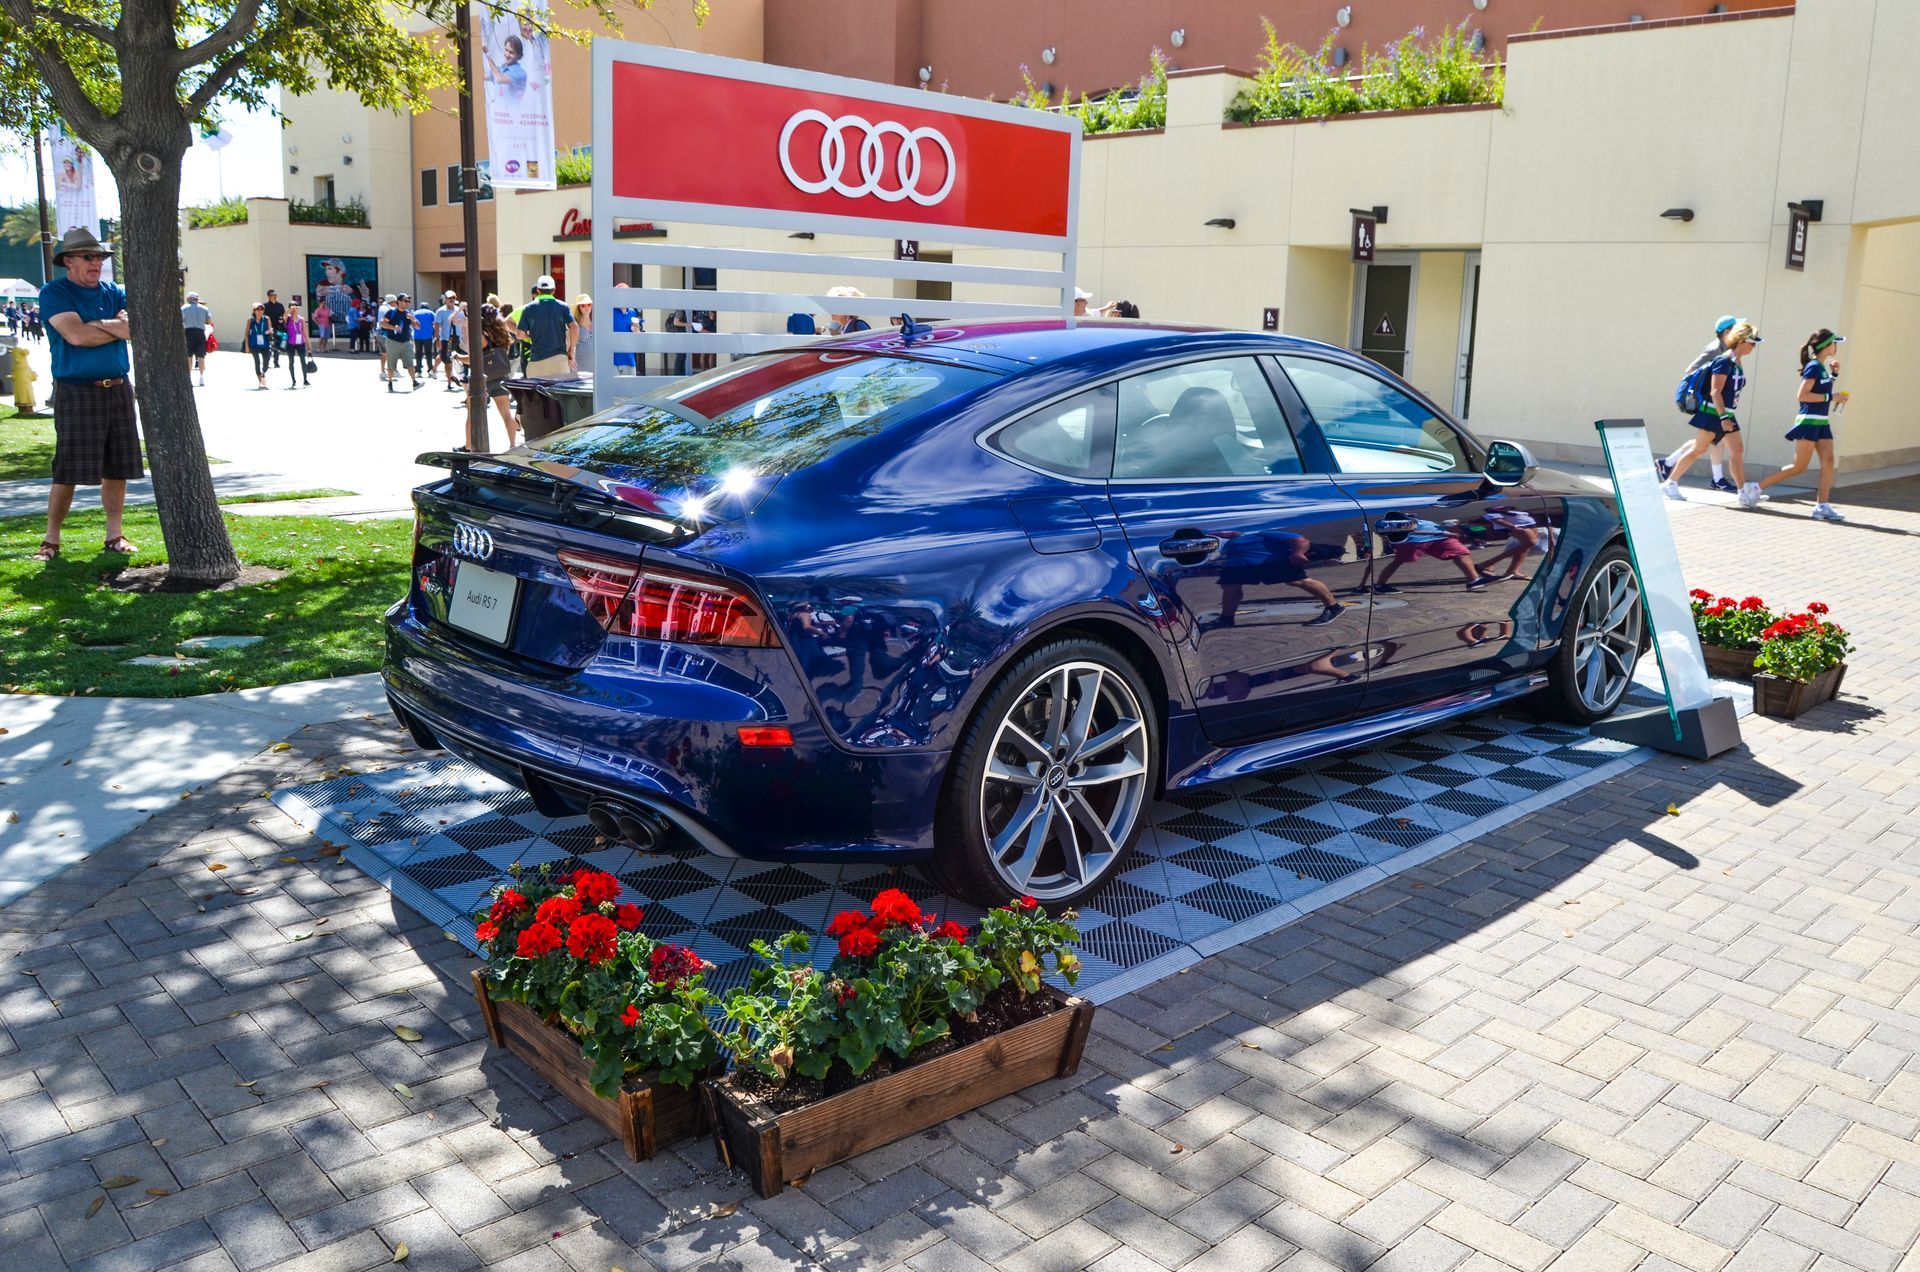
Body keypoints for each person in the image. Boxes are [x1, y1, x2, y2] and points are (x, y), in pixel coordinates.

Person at [31, 228, 142, 563]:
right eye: (88, 257)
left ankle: (114, 535)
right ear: (69, 261)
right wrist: (112, 327)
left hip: (118, 388)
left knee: (118, 467)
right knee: (68, 469)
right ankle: (51, 540)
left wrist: (96, 324)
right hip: (76, 391)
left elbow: (133, 329)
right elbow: (76, 336)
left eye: (100, 257)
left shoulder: (115, 292)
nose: (96, 263)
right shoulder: (55, 292)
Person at [1755, 329, 1849, 521]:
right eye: (1834, 343)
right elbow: (1803, 396)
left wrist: (1834, 376)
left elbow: (1820, 389)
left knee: (1828, 461)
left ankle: (1822, 506)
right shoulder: (1813, 367)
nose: (1836, 346)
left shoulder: (1820, 367)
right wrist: (1832, 397)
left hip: (1822, 422)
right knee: (1799, 467)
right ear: (1826, 345)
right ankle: (1754, 489)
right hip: (1808, 421)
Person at [1666, 321, 1761, 503]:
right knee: (1698, 449)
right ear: (1741, 341)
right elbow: (1715, 392)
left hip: (1726, 413)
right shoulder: (1724, 361)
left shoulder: (1736, 361)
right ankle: (1670, 483)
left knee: (1737, 450)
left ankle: (1743, 493)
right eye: (1752, 342)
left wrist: (1726, 416)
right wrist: (1723, 417)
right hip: (1713, 413)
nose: (1754, 347)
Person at [1658, 315, 1739, 493]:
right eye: (1736, 328)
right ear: (1726, 331)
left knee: (1709, 441)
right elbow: (1691, 370)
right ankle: (1715, 479)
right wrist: (1710, 388)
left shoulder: (1726, 348)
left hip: (1716, 402)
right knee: (1710, 441)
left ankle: (1668, 463)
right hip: (1708, 402)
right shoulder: (1715, 349)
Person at [469, 303, 526, 447]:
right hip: (500, 376)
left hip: (483, 378)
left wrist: (457, 357)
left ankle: (470, 445)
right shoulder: (503, 334)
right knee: (506, 414)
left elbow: (473, 358)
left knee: (472, 414)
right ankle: (512, 444)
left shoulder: (481, 336)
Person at [519, 275, 575, 377]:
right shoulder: (563, 307)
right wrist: (571, 349)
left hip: (536, 360)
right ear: (554, 290)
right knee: (559, 387)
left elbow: (520, 334)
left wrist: (529, 337)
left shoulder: (528, 308)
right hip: (559, 360)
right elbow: (575, 327)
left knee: (536, 388)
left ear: (538, 290)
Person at [381, 292, 419, 390]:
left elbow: (418, 327)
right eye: (406, 301)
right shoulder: (391, 312)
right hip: (393, 341)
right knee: (391, 364)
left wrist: (414, 320)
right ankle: (390, 382)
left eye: (409, 301)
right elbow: (382, 323)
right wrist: (393, 327)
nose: (408, 303)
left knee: (410, 363)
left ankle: (414, 382)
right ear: (399, 302)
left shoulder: (409, 314)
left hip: (406, 342)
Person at [181, 290, 210, 387]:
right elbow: (209, 321)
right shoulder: (204, 308)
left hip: (189, 332)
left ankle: (189, 377)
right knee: (201, 357)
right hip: (200, 333)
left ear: (189, 299)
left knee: (189, 356)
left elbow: (181, 320)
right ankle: (201, 378)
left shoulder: (184, 308)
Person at [611, 282, 640, 375]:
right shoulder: (609, 311)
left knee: (631, 385)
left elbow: (637, 334)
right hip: (612, 361)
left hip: (629, 359)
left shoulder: (632, 312)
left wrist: (637, 330)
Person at [245, 302, 273, 388]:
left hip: (265, 344)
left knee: (266, 361)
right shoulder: (251, 320)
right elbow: (246, 334)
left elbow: (271, 329)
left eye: (262, 309)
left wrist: (270, 331)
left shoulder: (266, 319)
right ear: (254, 311)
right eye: (258, 309)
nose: (260, 311)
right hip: (254, 344)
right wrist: (247, 346)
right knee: (257, 362)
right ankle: (260, 381)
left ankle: (263, 373)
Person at [284, 303, 310, 387]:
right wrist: (290, 309)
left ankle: (305, 379)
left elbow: (305, 332)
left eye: (296, 307)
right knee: (291, 361)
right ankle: (293, 380)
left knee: (303, 360)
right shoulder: (288, 318)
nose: (295, 309)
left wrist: (308, 344)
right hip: (290, 343)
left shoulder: (301, 319)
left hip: (300, 343)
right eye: (293, 308)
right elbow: (284, 316)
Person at [412, 297, 437, 379]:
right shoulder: (430, 313)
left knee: (418, 353)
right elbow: (435, 323)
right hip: (428, 336)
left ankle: (419, 371)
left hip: (417, 336)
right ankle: (430, 370)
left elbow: (412, 323)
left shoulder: (415, 313)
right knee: (428, 353)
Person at [262, 289, 286, 368]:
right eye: (273, 295)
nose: (275, 296)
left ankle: (276, 362)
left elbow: (283, 316)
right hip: (268, 329)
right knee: (269, 347)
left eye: (275, 295)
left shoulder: (280, 305)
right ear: (269, 296)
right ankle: (266, 363)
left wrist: (282, 319)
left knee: (277, 346)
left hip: (279, 329)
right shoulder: (265, 306)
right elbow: (263, 318)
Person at [571, 294, 595, 371]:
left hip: (596, 365)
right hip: (580, 365)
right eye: (583, 305)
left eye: (589, 304)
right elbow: (570, 345)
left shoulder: (596, 322)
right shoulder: (575, 325)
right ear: (578, 308)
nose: (586, 307)